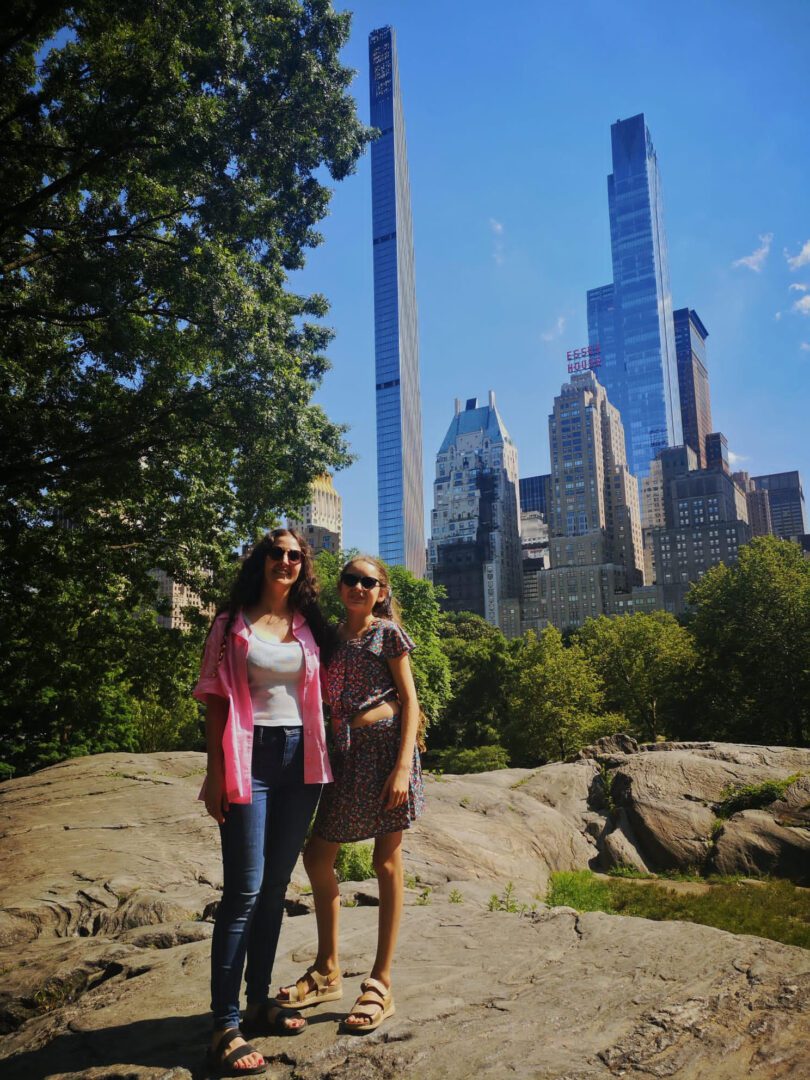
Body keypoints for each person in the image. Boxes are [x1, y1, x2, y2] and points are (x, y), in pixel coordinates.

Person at [193, 529, 333, 1077]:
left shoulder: (309, 624)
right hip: (249, 756)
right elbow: (212, 697)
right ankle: (224, 1024)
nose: (286, 561)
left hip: (303, 760)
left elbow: (350, 664)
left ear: (304, 565)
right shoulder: (230, 623)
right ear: (262, 560)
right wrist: (214, 771)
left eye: (295, 555)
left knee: (276, 887)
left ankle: (257, 1001)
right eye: (277, 553)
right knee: (243, 890)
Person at [275, 555, 424, 1034]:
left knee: (386, 863)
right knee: (318, 858)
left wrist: (403, 768)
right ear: (339, 587)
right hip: (343, 755)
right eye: (350, 579)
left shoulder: (387, 634)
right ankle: (327, 969)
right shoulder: (328, 638)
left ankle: (380, 981)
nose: (358, 586)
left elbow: (411, 703)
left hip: (385, 753)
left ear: (381, 591)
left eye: (369, 581)